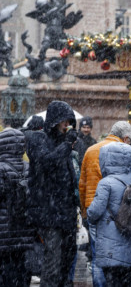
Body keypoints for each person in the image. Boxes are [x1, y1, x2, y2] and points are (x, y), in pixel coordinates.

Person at [26, 100, 79, 287]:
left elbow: (70, 180)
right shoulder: (37, 139)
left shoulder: (64, 145)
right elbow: (47, 163)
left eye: (69, 121)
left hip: (66, 213)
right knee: (52, 264)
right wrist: (66, 145)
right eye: (64, 121)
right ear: (54, 120)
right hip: (49, 213)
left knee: (67, 262)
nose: (67, 125)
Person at [79, 121, 131, 287]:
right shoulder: (124, 153)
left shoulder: (91, 150)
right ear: (126, 138)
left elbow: (82, 183)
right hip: (121, 210)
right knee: (120, 252)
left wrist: (84, 210)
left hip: (94, 208)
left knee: (98, 256)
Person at [87, 142, 131, 287]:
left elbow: (95, 211)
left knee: (112, 279)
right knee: (126, 277)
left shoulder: (106, 183)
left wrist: (88, 214)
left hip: (110, 242)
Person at [0, 129, 35, 286]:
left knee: (5, 272)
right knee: (20, 269)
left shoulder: (1, 168)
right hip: (24, 232)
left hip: (3, 232)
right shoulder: (29, 168)